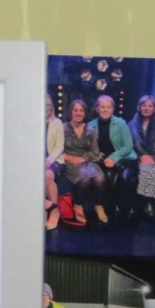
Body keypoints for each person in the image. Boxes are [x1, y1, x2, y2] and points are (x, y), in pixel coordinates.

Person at [57, 99, 108, 225]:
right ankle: (78, 206)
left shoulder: (91, 129)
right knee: (84, 179)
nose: (78, 113)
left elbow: (95, 152)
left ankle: (99, 206)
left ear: (85, 113)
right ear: (71, 112)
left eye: (81, 111)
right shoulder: (62, 128)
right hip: (70, 161)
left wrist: (83, 159)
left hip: (87, 160)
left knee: (100, 179)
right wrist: (69, 158)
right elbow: (56, 148)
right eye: (76, 110)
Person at [94, 94, 136, 217]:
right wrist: (102, 157)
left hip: (123, 156)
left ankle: (126, 207)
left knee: (124, 177)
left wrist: (113, 157)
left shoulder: (121, 123)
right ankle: (111, 207)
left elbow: (128, 146)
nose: (105, 110)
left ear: (113, 109)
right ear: (97, 109)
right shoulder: (91, 125)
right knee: (107, 175)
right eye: (102, 107)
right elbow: (91, 147)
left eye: (109, 107)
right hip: (103, 159)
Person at [43, 93, 66, 230]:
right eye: (43, 105)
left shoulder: (57, 123)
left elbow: (60, 146)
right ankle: (46, 209)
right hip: (35, 161)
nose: (46, 108)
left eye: (49, 105)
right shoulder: (31, 121)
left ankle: (54, 212)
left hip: (55, 160)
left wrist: (48, 160)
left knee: (47, 176)